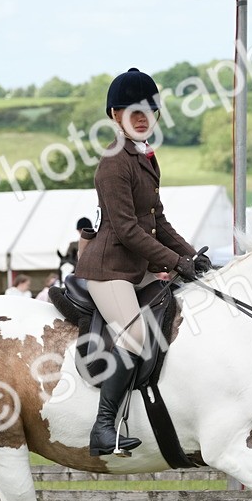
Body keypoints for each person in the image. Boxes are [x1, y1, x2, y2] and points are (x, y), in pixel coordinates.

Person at [75, 67, 206, 457]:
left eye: (148, 111)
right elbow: (128, 230)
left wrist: (192, 257)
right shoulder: (114, 162)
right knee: (134, 336)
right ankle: (103, 428)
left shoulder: (145, 157)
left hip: (137, 267)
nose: (142, 118)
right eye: (133, 111)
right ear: (115, 116)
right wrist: (176, 262)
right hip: (110, 269)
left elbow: (157, 220)